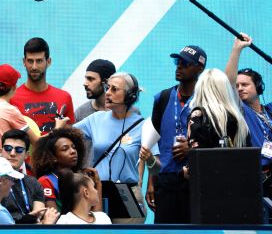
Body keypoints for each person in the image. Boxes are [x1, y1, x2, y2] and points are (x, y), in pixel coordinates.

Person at [73, 72, 154, 223]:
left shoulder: (144, 126)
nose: (107, 93)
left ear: (130, 96)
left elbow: (156, 168)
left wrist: (150, 160)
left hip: (127, 192)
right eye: (107, 87)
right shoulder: (95, 119)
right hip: (96, 191)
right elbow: (68, 135)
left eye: (114, 89)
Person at [148, 45, 207, 224]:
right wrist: (152, 181)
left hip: (196, 181)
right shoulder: (163, 98)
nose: (179, 66)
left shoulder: (207, 100)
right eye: (177, 62)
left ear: (199, 69)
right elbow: (155, 141)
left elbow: (216, 141)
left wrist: (193, 150)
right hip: (166, 181)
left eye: (185, 63)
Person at [225, 33, 272, 167]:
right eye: (237, 86)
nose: (239, 89)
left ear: (258, 87)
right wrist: (237, 49)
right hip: (257, 176)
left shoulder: (269, 110)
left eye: (244, 85)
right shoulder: (241, 110)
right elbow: (228, 83)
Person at [10, 37, 74, 134]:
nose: (34, 67)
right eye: (30, 61)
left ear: (48, 62)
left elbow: (70, 138)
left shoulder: (65, 97)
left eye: (39, 61)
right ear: (24, 62)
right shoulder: (12, 98)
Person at [32, 128, 99, 213]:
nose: (73, 151)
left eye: (74, 148)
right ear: (53, 157)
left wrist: (98, 184)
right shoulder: (46, 180)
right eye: (65, 149)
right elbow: (53, 216)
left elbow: (98, 215)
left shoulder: (82, 178)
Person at [0, 64, 36, 156]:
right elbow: (37, 141)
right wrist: (58, 128)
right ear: (14, 87)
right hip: (8, 162)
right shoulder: (10, 110)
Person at [188, 69, 248, 149]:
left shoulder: (198, 115)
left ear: (200, 88)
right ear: (225, 89)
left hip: (208, 161)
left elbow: (197, 154)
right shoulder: (239, 117)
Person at [0, 129, 46, 222]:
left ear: (26, 155)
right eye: (8, 148)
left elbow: (38, 213)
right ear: (1, 151)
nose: (12, 153)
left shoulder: (33, 183)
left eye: (19, 150)